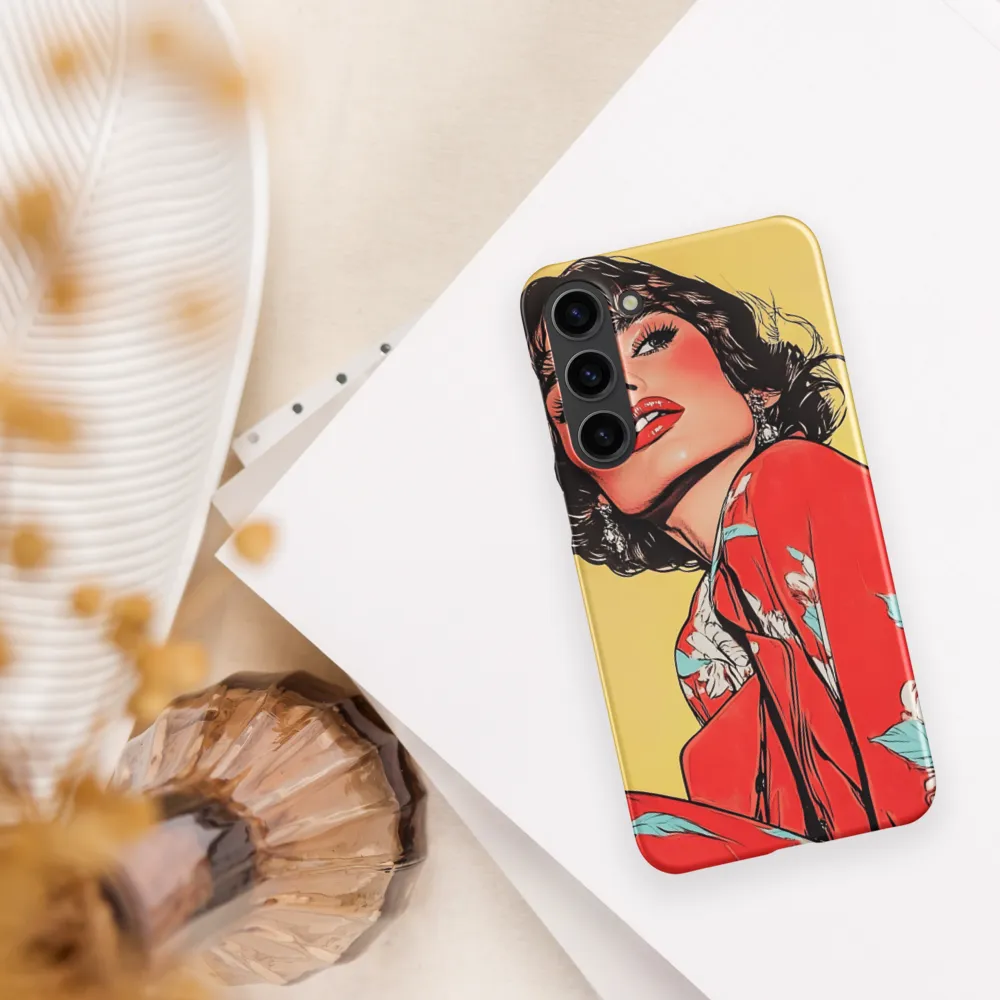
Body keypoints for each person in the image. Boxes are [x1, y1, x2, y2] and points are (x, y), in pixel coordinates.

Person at [522, 256, 934, 872]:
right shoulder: (701, 646)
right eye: (574, 393)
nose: (622, 386)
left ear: (754, 383)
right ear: (585, 476)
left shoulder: (796, 481)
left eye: (651, 341)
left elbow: (906, 781)